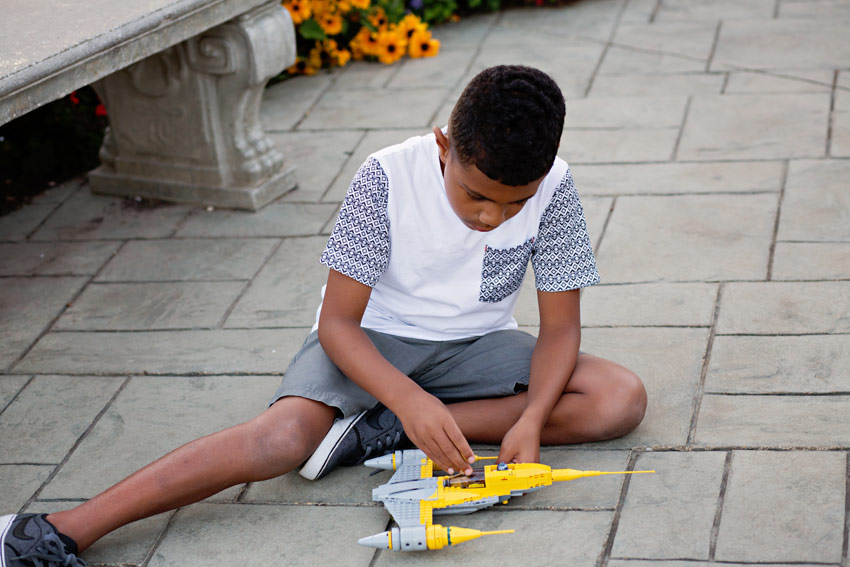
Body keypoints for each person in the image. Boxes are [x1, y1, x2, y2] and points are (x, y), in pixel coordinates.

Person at [0, 64, 646, 567]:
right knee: (280, 440)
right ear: (443, 145)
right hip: (367, 342)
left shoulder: (554, 185)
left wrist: (533, 417)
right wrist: (411, 397)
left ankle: (373, 433)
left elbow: (559, 326)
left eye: (513, 204)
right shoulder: (384, 177)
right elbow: (338, 324)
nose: (490, 217)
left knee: (617, 398)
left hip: (476, 343)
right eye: (476, 195)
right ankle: (53, 530)